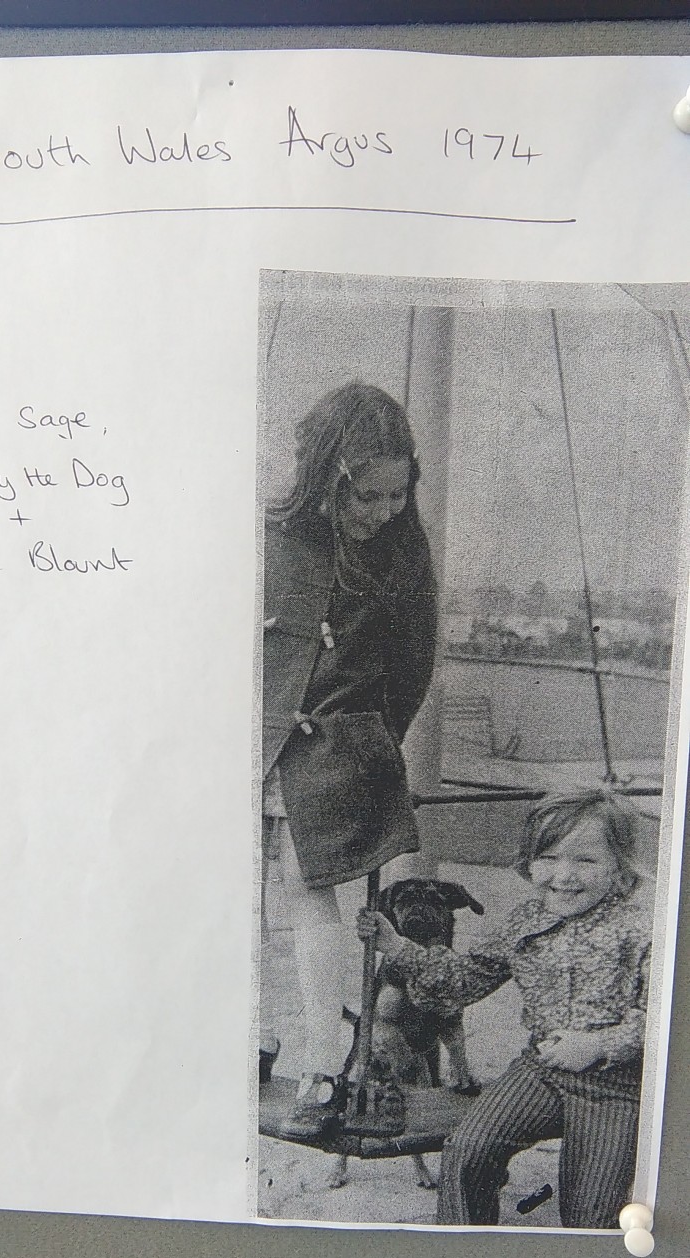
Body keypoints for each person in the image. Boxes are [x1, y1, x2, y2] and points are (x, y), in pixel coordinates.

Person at [262, 381, 437, 1139]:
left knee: (309, 892)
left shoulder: (402, 555)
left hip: (340, 742)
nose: (382, 512)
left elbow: (413, 663)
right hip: (257, 735)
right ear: (326, 480)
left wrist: (366, 740)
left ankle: (322, 1068)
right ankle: (260, 1035)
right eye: (366, 496)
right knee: (246, 895)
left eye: (397, 495)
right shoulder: (278, 537)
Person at [358, 790, 652, 1227]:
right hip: (540, 1071)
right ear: (528, 861)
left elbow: (666, 1018)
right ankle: (465, 1251)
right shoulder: (526, 920)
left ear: (620, 868)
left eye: (586, 861)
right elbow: (464, 979)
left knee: (590, 1211)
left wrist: (600, 1044)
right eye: (548, 858)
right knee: (468, 1150)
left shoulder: (641, 930)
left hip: (616, 1086)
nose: (563, 875)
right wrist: (397, 946)